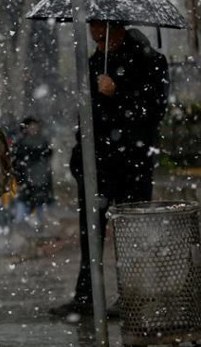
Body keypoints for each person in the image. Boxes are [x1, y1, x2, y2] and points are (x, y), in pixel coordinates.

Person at [49, 21, 169, 319]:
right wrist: (79, 156)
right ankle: (86, 296)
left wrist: (117, 93)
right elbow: (87, 113)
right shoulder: (94, 63)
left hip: (132, 162)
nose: (99, 44)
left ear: (119, 30)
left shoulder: (150, 61)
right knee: (90, 232)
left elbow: (153, 110)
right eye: (94, 38)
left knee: (130, 234)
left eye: (104, 37)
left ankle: (132, 295)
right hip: (96, 163)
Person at [12, 116, 54, 226]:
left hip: (40, 180)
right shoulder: (21, 143)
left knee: (38, 209)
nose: (33, 129)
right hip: (27, 180)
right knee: (23, 208)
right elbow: (17, 163)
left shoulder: (42, 141)